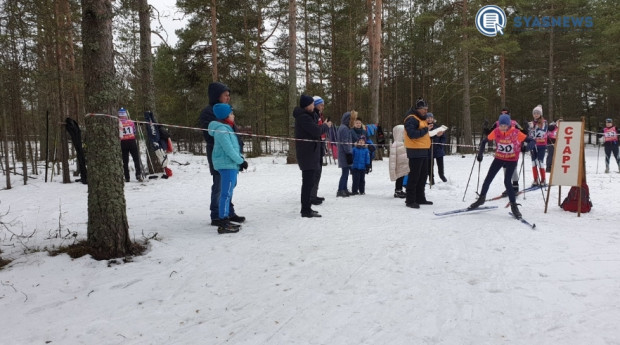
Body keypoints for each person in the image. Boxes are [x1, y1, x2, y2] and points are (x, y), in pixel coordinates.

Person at [469, 114, 533, 219]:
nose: (502, 127)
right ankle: (481, 199)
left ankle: (513, 205)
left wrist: (527, 148)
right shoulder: (496, 131)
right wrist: (480, 153)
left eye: (505, 125)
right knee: (488, 178)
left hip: (512, 159)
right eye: (501, 125)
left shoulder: (515, 132)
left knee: (507, 181)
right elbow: (484, 141)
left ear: (509, 125)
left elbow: (531, 140)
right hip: (499, 158)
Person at [199, 82, 245, 227]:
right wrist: (227, 145)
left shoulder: (227, 111)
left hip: (231, 157)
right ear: (217, 96)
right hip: (219, 156)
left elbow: (233, 132)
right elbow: (211, 136)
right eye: (225, 95)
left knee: (229, 185)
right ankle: (216, 215)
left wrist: (238, 146)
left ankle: (229, 212)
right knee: (219, 185)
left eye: (229, 95)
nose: (228, 98)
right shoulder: (209, 112)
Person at [208, 104, 247, 234]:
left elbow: (234, 148)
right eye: (231, 114)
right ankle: (223, 222)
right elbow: (229, 149)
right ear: (225, 116)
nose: (233, 115)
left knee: (229, 191)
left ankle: (227, 217)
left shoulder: (227, 128)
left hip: (230, 165)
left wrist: (239, 161)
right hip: (226, 165)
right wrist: (241, 161)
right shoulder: (221, 130)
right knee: (225, 193)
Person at [294, 94, 331, 217]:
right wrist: (325, 126)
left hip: (312, 153)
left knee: (310, 182)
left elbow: (315, 125)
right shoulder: (303, 117)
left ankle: (308, 206)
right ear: (306, 105)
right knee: (307, 183)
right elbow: (316, 131)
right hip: (307, 154)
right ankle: (305, 210)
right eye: (311, 104)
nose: (313, 106)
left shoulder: (308, 115)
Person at [403, 98, 432, 208]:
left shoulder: (422, 119)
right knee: (414, 176)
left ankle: (420, 197)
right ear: (418, 109)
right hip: (415, 151)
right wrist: (426, 130)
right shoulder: (411, 119)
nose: (425, 111)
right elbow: (412, 134)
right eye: (423, 109)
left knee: (423, 176)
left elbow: (423, 134)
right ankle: (410, 200)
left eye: (426, 109)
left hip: (423, 150)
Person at [310, 96, 328, 205]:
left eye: (323, 105)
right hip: (314, 148)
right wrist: (325, 126)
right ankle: (311, 195)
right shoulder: (313, 115)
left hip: (320, 146)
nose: (322, 107)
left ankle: (314, 194)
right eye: (321, 105)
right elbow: (317, 130)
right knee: (314, 172)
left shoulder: (319, 115)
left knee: (318, 172)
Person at [118, 108, 143, 183]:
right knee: (136, 158)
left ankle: (127, 177)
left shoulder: (118, 122)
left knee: (125, 161)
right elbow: (134, 131)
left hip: (123, 142)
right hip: (132, 141)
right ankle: (138, 174)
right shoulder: (131, 122)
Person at [527, 104, 548, 186]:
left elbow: (543, 132)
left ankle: (543, 179)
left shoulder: (544, 122)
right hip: (533, 145)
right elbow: (530, 135)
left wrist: (534, 127)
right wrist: (529, 128)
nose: (536, 115)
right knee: (533, 162)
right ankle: (535, 179)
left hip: (541, 144)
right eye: (534, 113)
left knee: (540, 161)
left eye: (537, 113)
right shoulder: (531, 123)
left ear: (540, 114)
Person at [336, 111, 355, 197]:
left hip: (345, 153)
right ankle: (340, 189)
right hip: (344, 154)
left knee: (346, 172)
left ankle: (344, 188)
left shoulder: (345, 128)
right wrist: (349, 153)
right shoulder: (344, 128)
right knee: (344, 172)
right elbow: (345, 142)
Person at [389, 124, 409, 198]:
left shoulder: (405, 142)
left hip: (405, 164)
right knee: (399, 178)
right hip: (399, 165)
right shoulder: (396, 144)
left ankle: (400, 190)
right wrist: (393, 167)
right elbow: (393, 157)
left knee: (403, 177)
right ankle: (397, 190)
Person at [426, 112, 447, 184]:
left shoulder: (437, 127)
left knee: (440, 166)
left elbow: (443, 138)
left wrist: (441, 144)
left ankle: (443, 177)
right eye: (428, 118)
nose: (429, 119)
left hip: (438, 150)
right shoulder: (424, 128)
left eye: (431, 118)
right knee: (430, 167)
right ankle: (431, 180)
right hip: (428, 150)